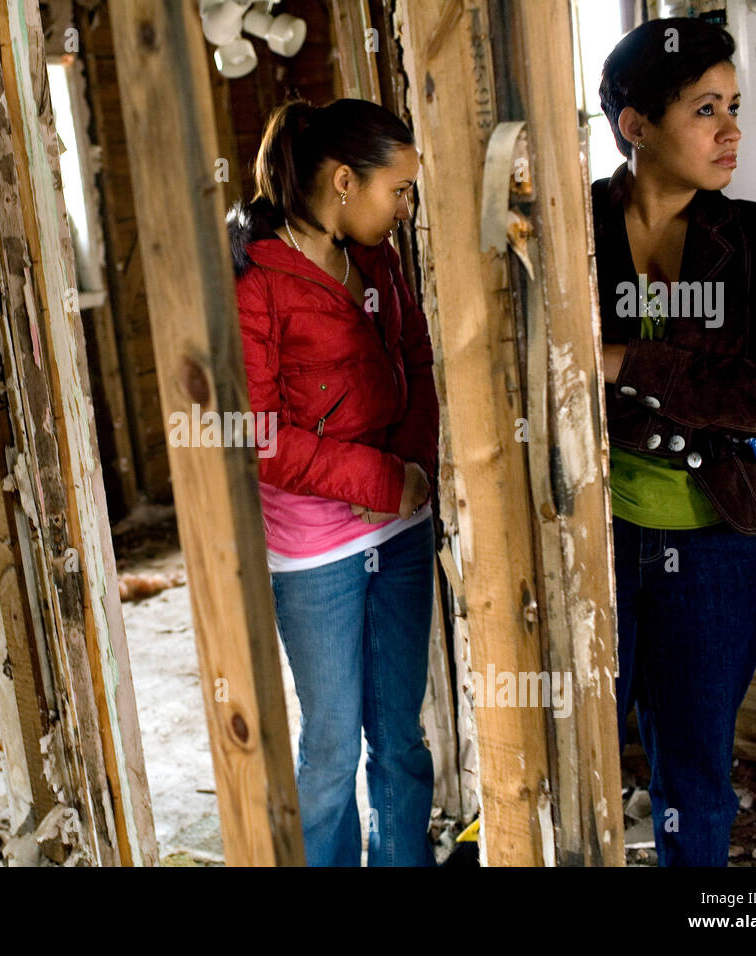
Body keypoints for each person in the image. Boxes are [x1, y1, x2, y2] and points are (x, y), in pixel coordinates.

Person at [595, 17, 756, 866]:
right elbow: (540, 366)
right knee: (583, 747)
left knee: (695, 772)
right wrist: (682, 385)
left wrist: (623, 360)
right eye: (704, 109)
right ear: (637, 126)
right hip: (598, 535)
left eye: (734, 106)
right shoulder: (575, 229)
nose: (731, 131)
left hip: (722, 537)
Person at [226, 98, 440, 866]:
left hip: (402, 529)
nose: (406, 209)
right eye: (400, 190)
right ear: (346, 181)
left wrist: (412, 473)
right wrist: (381, 477)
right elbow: (258, 435)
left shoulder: (375, 255)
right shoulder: (258, 280)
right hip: (316, 553)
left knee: (401, 740)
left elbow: (416, 362)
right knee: (328, 753)